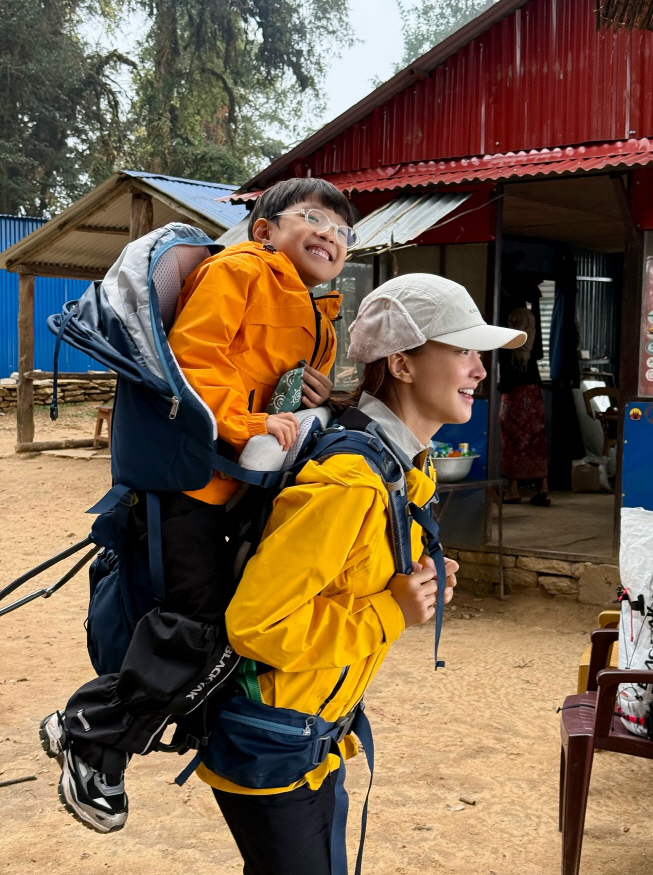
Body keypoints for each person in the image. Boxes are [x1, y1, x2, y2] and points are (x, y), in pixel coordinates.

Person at [39, 177, 359, 833]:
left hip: (237, 491)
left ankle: (88, 725)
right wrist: (253, 425)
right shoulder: (240, 269)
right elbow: (197, 360)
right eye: (312, 217)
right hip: (190, 480)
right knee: (196, 623)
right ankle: (91, 734)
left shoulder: (320, 315)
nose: (331, 232)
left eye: (344, 230)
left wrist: (308, 397)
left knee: (222, 630)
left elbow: (274, 388)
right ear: (265, 230)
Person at [201, 273, 526, 874]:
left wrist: (409, 586)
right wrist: (392, 611)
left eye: (479, 354)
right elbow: (256, 625)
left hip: (317, 736)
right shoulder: (353, 479)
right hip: (274, 742)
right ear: (401, 364)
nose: (480, 370)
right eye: (461, 351)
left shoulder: (401, 466)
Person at [499, 295, 550, 507]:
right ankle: (542, 486)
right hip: (534, 395)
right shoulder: (532, 344)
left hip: (513, 396)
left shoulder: (507, 344)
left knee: (511, 441)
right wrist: (535, 303)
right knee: (536, 441)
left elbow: (504, 375)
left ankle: (513, 489)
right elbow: (537, 350)